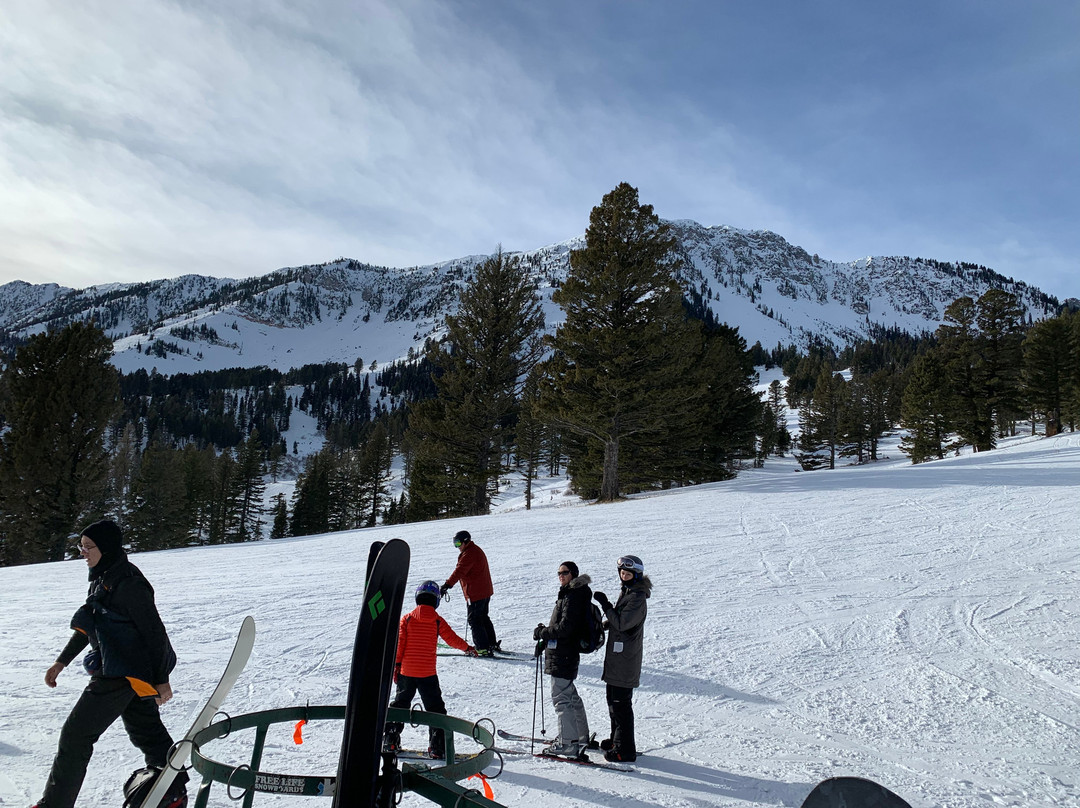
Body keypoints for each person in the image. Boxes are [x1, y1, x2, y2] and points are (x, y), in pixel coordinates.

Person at [33, 520, 183, 808]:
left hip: (121, 674)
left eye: (88, 547)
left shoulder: (129, 584)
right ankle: (172, 793)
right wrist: (61, 662)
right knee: (147, 733)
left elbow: (154, 632)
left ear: (107, 548)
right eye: (81, 546)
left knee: (76, 737)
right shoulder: (103, 577)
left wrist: (162, 677)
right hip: (125, 672)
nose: (83, 552)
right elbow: (91, 623)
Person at [384, 580, 476, 758]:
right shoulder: (437, 620)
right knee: (435, 709)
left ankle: (390, 741)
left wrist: (395, 666)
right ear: (436, 601)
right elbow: (452, 638)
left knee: (400, 706)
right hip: (427, 673)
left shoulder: (407, 618)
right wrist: (467, 648)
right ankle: (437, 747)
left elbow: (399, 645)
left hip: (407, 673)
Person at [593, 554, 651, 763]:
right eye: (622, 573)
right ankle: (617, 740)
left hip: (626, 660)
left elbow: (623, 623)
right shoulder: (628, 592)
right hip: (618, 659)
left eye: (628, 574)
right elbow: (618, 621)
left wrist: (605, 605)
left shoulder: (637, 597)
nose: (624, 577)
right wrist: (604, 624)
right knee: (613, 702)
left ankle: (625, 750)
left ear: (636, 575)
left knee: (621, 705)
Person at [533, 561, 593, 760]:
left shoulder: (573, 595)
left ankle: (568, 743)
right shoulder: (572, 594)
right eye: (559, 573)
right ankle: (580, 735)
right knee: (570, 695)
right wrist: (546, 636)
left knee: (561, 698)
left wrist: (543, 633)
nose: (561, 575)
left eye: (565, 572)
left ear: (573, 574)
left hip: (563, 653)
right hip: (563, 652)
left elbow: (566, 628)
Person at [440, 530, 499, 656]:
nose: (457, 547)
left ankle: (482, 648)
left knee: (475, 620)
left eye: (458, 543)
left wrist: (447, 585)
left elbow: (459, 571)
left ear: (466, 541)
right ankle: (491, 643)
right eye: (455, 544)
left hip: (476, 592)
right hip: (483, 590)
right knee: (483, 617)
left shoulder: (470, 554)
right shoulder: (474, 550)